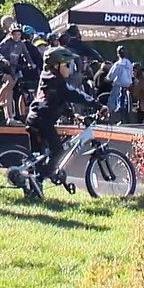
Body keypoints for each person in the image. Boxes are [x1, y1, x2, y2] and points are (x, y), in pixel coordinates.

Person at [26, 47, 102, 185]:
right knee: (58, 151)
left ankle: (34, 187)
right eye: (67, 65)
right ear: (56, 65)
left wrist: (74, 115)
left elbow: (56, 101)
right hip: (44, 121)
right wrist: (98, 105)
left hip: (35, 118)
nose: (70, 68)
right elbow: (76, 95)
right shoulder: (58, 82)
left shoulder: (48, 78)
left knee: (39, 158)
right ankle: (40, 178)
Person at [0, 24, 30, 126]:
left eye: (19, 34)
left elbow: (26, 54)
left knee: (10, 92)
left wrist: (31, 63)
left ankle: (9, 117)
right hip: (1, 67)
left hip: (12, 69)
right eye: (15, 34)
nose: (17, 37)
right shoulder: (6, 42)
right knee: (9, 82)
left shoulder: (21, 44)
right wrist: (2, 59)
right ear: (11, 34)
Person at [106, 45, 134, 116]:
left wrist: (107, 79)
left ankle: (110, 112)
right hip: (128, 84)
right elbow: (131, 74)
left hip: (119, 84)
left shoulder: (117, 64)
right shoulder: (129, 63)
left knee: (112, 98)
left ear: (118, 54)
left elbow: (111, 75)